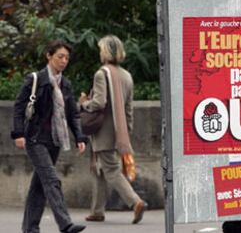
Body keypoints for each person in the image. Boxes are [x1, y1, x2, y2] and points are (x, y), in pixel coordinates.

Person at [11, 40, 87, 233]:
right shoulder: (36, 79)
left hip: (54, 141)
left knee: (39, 185)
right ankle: (65, 224)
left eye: (67, 58)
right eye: (60, 56)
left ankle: (30, 228)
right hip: (35, 139)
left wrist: (79, 137)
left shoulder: (65, 84)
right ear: (49, 55)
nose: (64, 61)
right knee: (52, 180)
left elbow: (73, 114)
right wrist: (18, 133)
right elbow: (19, 107)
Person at [79, 35, 146, 224]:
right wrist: (127, 131)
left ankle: (135, 202)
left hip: (104, 132)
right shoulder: (127, 76)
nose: (100, 53)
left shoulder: (102, 74)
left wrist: (84, 103)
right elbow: (128, 109)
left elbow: (99, 103)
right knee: (99, 170)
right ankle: (97, 211)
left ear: (106, 52)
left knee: (111, 170)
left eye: (101, 49)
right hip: (119, 131)